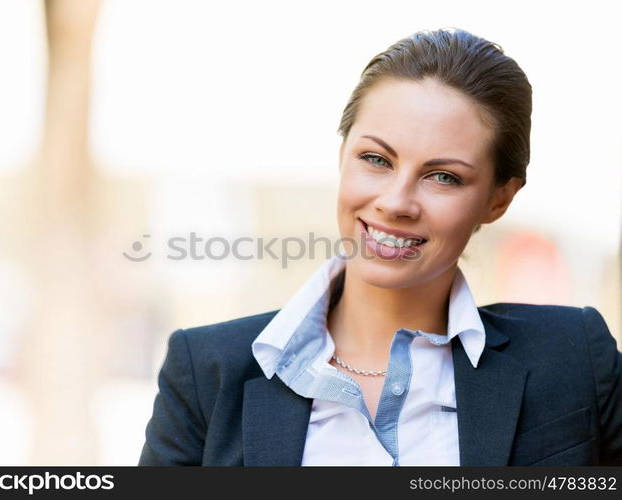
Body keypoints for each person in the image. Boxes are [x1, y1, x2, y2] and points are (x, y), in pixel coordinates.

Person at [137, 28, 622, 466]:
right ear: (343, 155)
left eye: (443, 177)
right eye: (376, 158)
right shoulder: (205, 373)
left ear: (499, 199)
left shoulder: (575, 357)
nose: (396, 202)